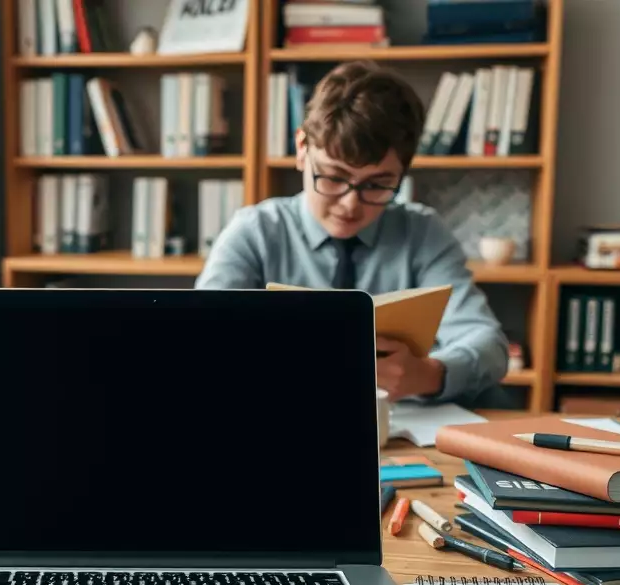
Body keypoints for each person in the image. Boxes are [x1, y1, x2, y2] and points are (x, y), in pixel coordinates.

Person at [195, 61, 510, 407]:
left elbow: (488, 343)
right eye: (333, 176)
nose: (350, 205)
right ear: (302, 148)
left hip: (399, 426)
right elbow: (201, 339)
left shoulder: (422, 234)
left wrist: (429, 374)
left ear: (402, 174)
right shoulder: (255, 232)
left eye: (377, 185)